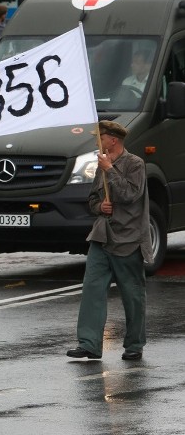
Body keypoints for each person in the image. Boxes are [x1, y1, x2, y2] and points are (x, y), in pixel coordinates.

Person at [67, 121, 150, 361]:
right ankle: (89, 344)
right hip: (102, 236)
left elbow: (130, 194)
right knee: (92, 289)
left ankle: (134, 345)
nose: (97, 141)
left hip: (128, 239)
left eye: (100, 137)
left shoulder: (135, 164)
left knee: (132, 295)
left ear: (113, 139)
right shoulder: (101, 164)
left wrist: (110, 169)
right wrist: (99, 207)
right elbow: (93, 198)